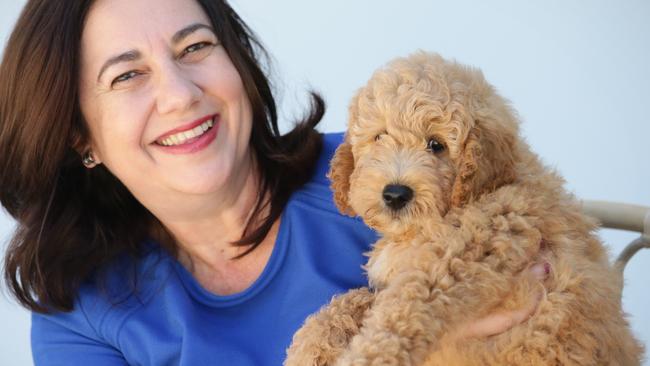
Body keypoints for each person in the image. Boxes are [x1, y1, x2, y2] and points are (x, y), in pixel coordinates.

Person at [0, 0, 548, 364]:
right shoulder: (82, 317)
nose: (181, 93)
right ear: (79, 136)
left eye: (196, 48)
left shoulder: (376, 178)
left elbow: (540, 284)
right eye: (127, 75)